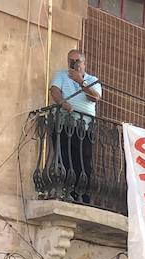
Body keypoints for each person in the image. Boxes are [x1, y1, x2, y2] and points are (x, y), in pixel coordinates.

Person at [48, 48, 102, 200]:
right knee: (64, 157)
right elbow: (55, 91)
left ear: (84, 63)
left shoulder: (92, 80)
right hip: (65, 123)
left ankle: (82, 195)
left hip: (84, 127)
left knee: (83, 160)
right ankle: (66, 191)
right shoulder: (61, 75)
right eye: (70, 61)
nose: (73, 64)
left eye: (76, 61)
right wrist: (62, 102)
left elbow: (95, 98)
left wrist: (80, 81)